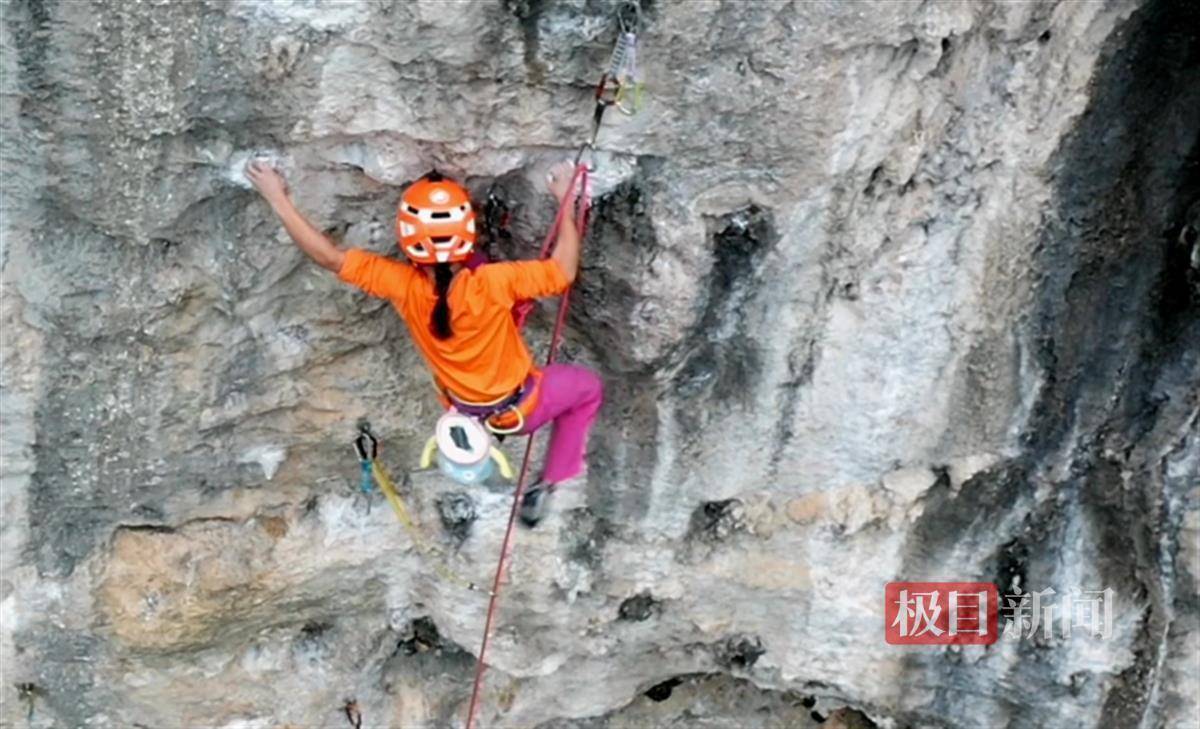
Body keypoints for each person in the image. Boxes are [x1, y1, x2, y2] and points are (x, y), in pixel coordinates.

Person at [246, 160, 603, 527]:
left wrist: (278, 197)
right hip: (524, 406)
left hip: (468, 411)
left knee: (475, 277)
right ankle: (551, 480)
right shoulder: (494, 283)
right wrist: (566, 201)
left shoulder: (403, 286)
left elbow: (328, 257)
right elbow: (563, 271)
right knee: (588, 390)